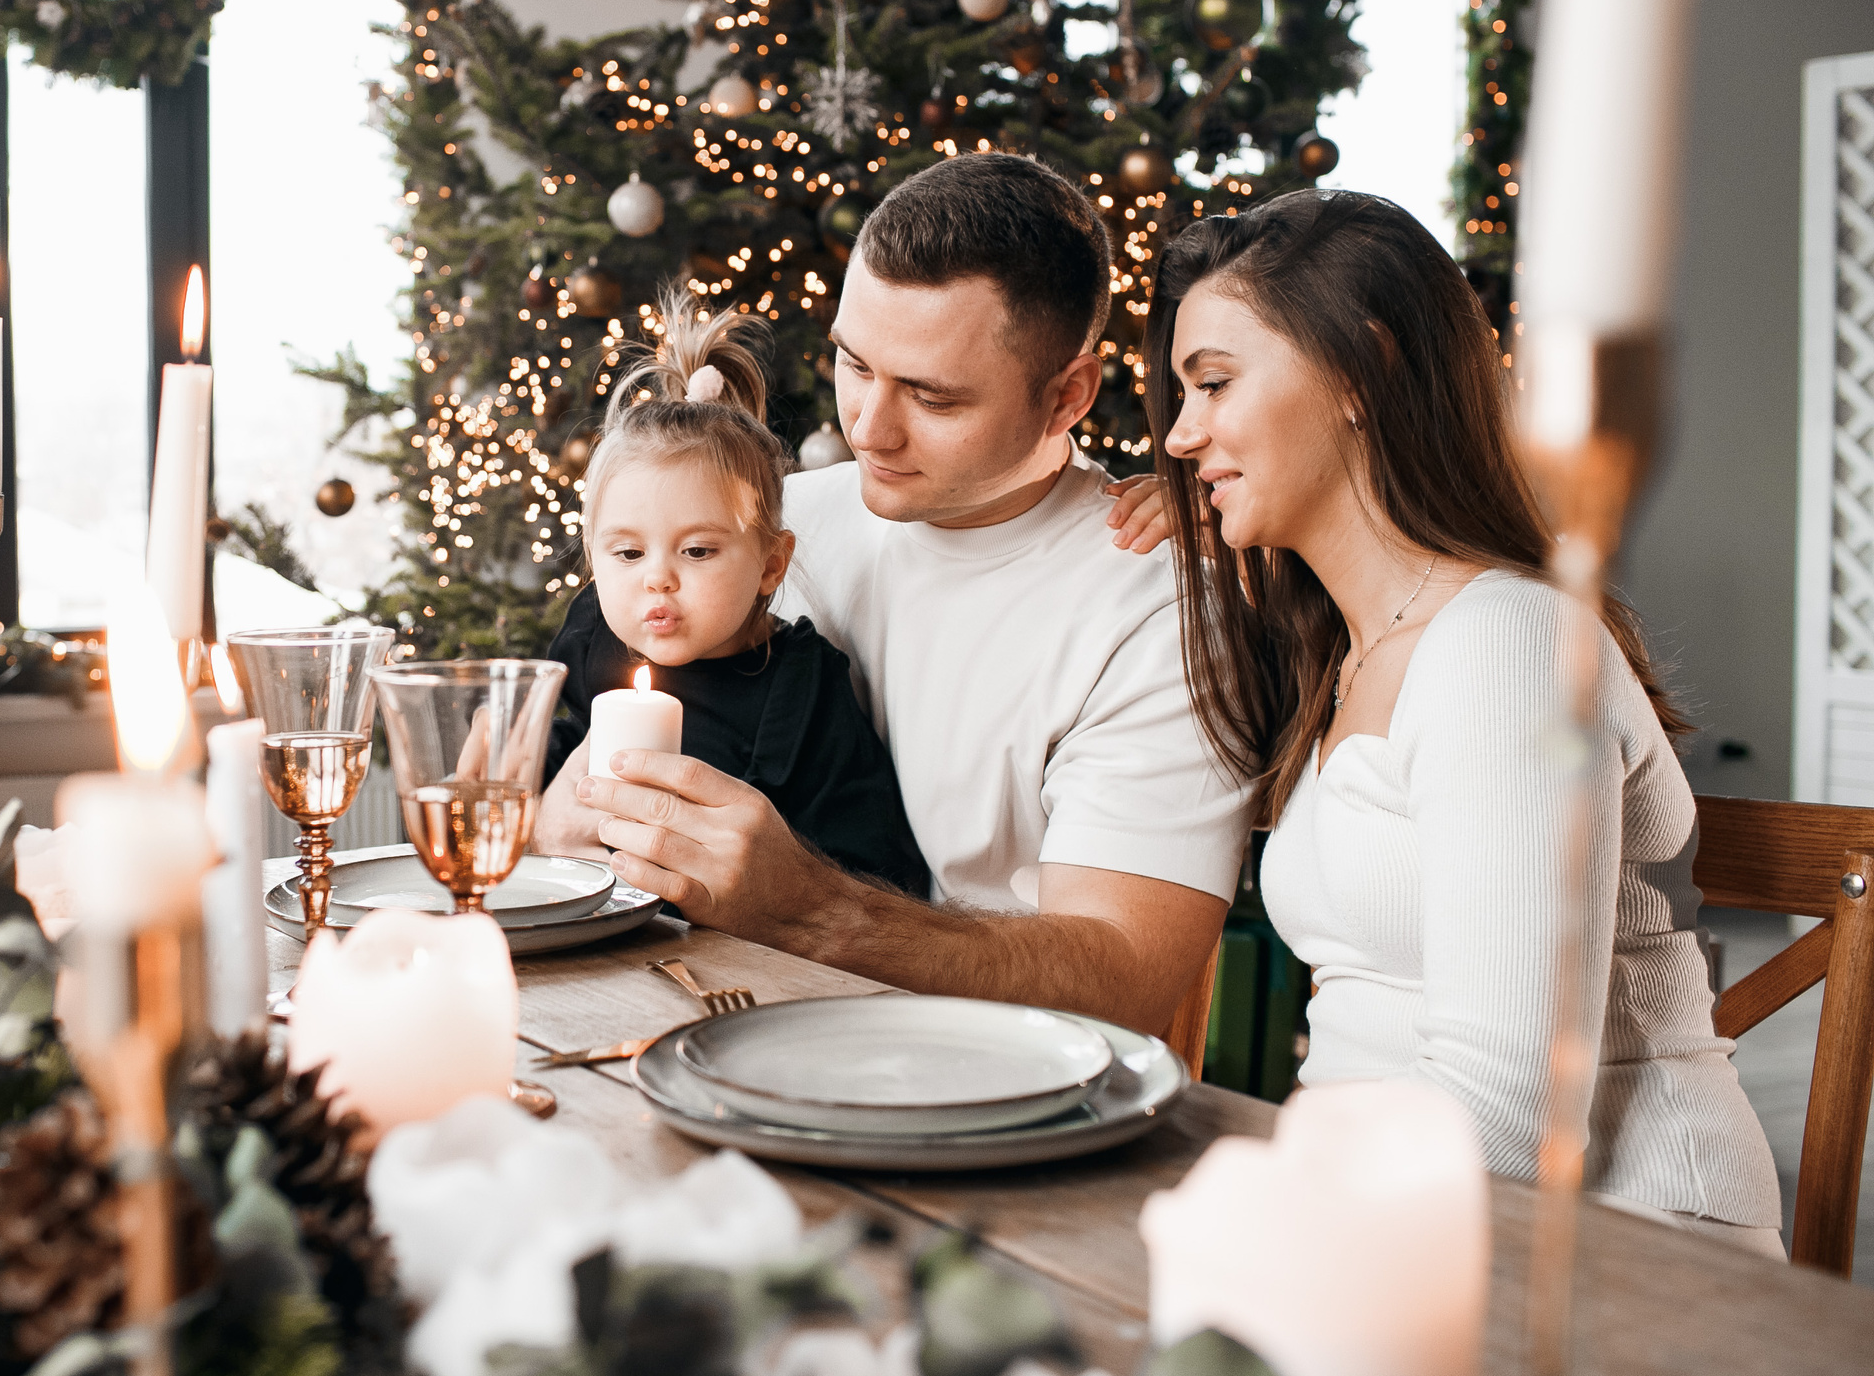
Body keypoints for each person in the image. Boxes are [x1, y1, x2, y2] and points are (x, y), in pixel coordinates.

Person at [1144, 187, 1781, 1252]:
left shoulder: (1506, 644)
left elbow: (1506, 1119)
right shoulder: (1340, 654)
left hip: (1615, 1242)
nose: (1176, 435)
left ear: (1362, 369)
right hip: (1410, 1222)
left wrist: (1250, 1212)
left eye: (1213, 383)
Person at [543, 153, 1252, 1036]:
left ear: (1067, 395)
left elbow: (1125, 978)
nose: (867, 429)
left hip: (995, 1078)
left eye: (932, 397)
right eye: (854, 363)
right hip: (713, 1027)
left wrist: (811, 909)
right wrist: (550, 828)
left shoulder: (1158, 613)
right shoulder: (769, 524)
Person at [536, 297, 931, 898]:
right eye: (628, 553)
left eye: (697, 551)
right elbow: (570, 746)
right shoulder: (595, 639)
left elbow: (874, 867)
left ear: (771, 564)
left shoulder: (802, 691)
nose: (657, 580)